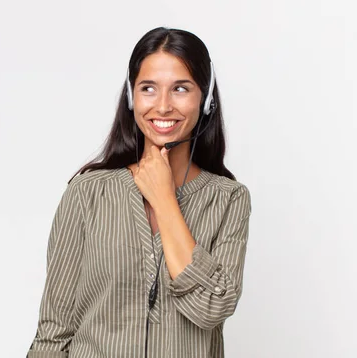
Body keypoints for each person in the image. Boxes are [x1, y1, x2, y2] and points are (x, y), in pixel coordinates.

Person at [27, 26, 252, 358]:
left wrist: (164, 199)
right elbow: (53, 331)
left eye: (180, 88)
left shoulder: (229, 199)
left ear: (204, 100)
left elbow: (211, 307)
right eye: (148, 88)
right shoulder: (87, 193)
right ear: (132, 97)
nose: (162, 106)